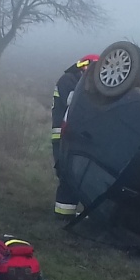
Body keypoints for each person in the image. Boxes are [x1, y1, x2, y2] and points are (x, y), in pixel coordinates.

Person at [51, 54, 99, 218]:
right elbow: (73, 102)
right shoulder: (68, 80)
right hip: (63, 136)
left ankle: (68, 212)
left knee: (75, 173)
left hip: (75, 135)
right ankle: (63, 214)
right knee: (66, 172)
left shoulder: (78, 80)